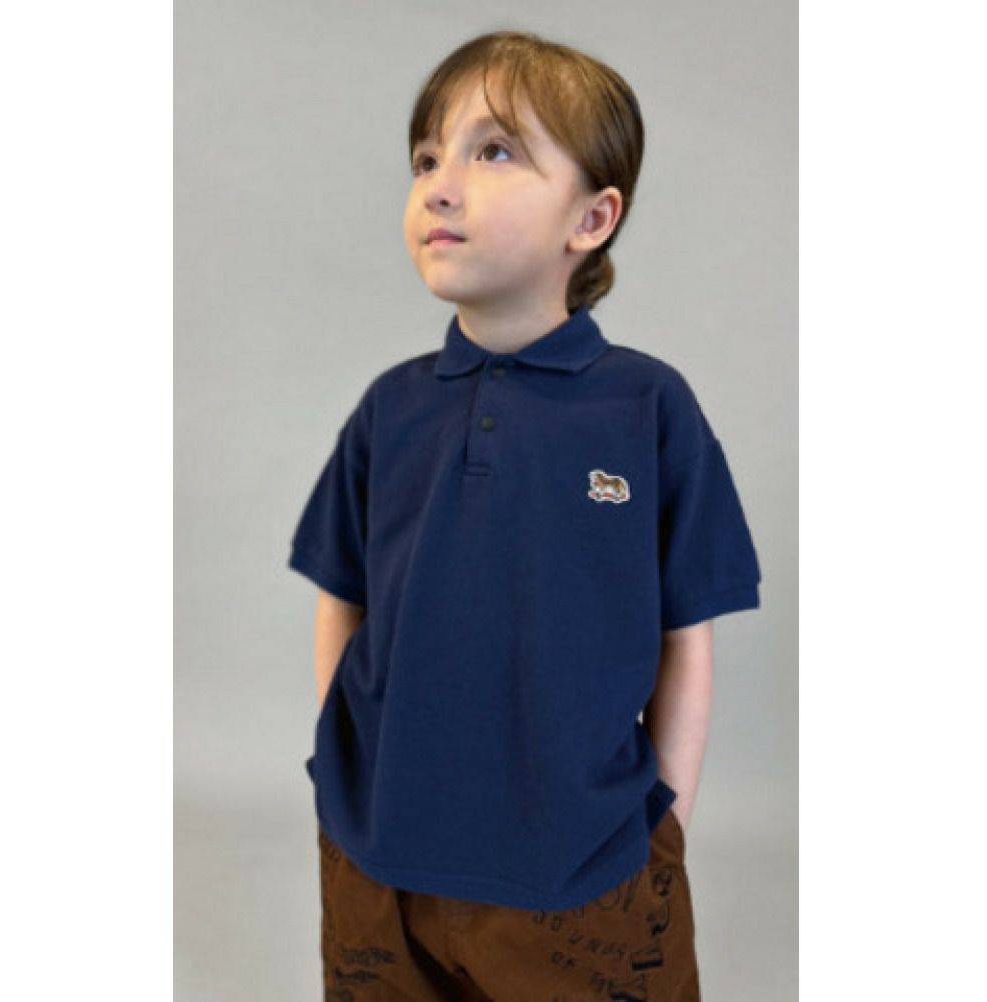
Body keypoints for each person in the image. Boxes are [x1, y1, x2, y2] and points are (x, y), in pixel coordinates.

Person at [288, 29, 762, 1001]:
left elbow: (687, 635)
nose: (440, 186)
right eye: (427, 158)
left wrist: (662, 828)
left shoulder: (649, 408)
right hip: (381, 873)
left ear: (592, 217)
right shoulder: (389, 408)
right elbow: (343, 599)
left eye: (494, 151)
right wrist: (346, 778)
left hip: (584, 882)